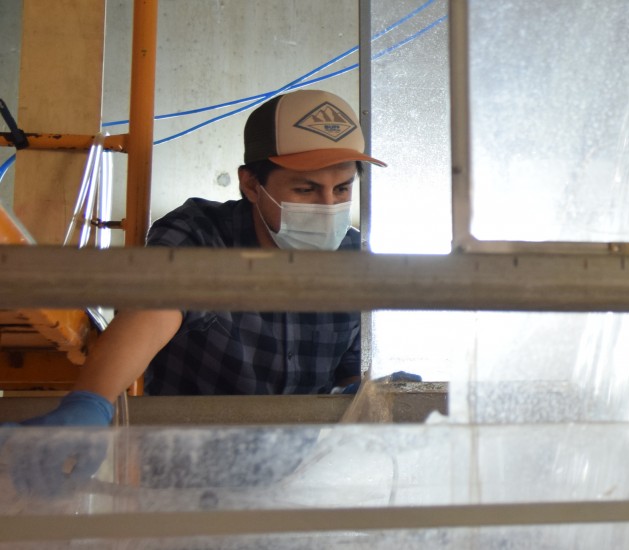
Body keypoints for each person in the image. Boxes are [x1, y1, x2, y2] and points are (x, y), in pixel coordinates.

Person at [1, 89, 391, 494]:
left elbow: (350, 370)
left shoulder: (355, 262)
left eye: (342, 190)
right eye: (305, 191)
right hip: (174, 486)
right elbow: (155, 310)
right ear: (252, 185)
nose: (328, 207)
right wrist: (91, 402)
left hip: (294, 490)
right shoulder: (201, 233)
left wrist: (373, 396)